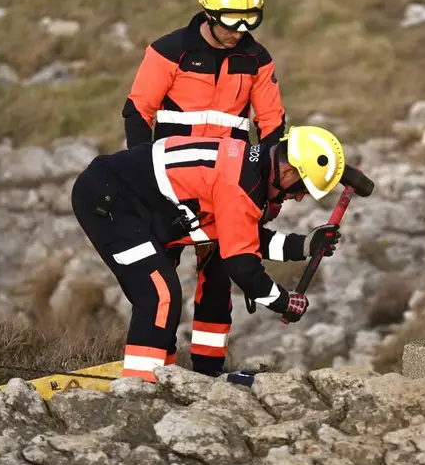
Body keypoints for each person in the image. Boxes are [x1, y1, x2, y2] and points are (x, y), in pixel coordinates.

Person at [70, 125, 346, 382]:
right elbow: (242, 267)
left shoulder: (250, 170)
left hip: (125, 201)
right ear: (287, 173)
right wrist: (284, 301)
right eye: (302, 189)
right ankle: (139, 390)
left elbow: (240, 236)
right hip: (108, 202)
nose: (298, 198)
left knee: (162, 298)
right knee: (160, 295)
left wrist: (305, 245)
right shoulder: (240, 185)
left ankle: (156, 377)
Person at [121, 0, 288, 376]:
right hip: (173, 185)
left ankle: (207, 372)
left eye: (251, 22)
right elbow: (137, 111)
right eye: (232, 22)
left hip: (228, 187)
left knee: (218, 281)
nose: (240, 31)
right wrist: (146, 176)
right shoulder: (168, 50)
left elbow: (272, 125)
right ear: (210, 14)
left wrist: (266, 189)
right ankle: (156, 369)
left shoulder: (257, 59)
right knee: (161, 280)